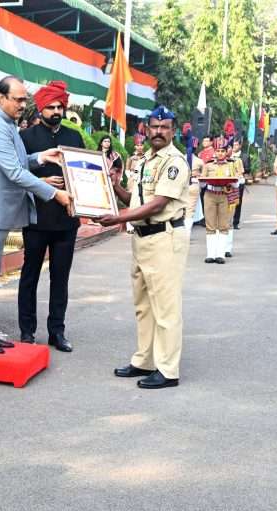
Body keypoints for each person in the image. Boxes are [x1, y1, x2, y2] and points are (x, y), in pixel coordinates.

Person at [0, 76, 71, 354]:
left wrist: (41, 158)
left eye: (25, 99)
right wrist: (54, 193)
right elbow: (13, 172)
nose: (23, 105)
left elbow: (19, 163)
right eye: (19, 99)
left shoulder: (6, 124)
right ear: (1, 97)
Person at [98, 105, 190, 389]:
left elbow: (158, 203)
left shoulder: (175, 162)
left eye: (164, 127)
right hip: (142, 239)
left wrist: (118, 218)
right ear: (147, 129)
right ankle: (145, 360)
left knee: (165, 307)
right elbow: (136, 201)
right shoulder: (145, 162)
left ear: (173, 131)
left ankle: (168, 369)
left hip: (164, 238)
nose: (159, 132)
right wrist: (115, 188)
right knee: (143, 305)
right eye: (154, 127)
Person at [17, 80, 83, 351]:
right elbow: (16, 173)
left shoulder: (74, 137)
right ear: (41, 108)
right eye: (51, 107)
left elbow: (84, 173)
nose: (56, 111)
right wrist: (44, 184)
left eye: (60, 107)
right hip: (36, 217)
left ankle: (57, 331)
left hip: (67, 218)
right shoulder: (26, 138)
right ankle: (27, 331)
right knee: (30, 274)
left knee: (61, 277)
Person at [200, 141, 240, 264]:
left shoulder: (231, 165)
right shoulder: (208, 165)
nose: (220, 153)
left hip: (224, 195)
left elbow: (236, 183)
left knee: (224, 225)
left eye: (222, 151)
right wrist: (199, 179)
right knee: (210, 225)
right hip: (210, 195)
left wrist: (232, 181)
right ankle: (210, 254)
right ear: (215, 152)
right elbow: (202, 184)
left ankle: (220, 255)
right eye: (218, 151)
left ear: (226, 152)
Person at [231, 139, 248, 230]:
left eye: (236, 145)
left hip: (239, 181)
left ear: (240, 146)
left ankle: (236, 222)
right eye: (233, 145)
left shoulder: (244, 156)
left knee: (238, 202)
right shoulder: (228, 154)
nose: (234, 147)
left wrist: (240, 170)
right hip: (229, 181)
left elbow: (247, 169)